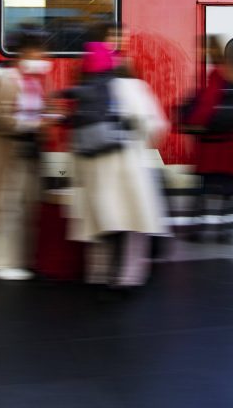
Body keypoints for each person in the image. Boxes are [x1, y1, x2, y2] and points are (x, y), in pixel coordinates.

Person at [68, 56, 170, 293]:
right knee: (133, 224)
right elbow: (156, 126)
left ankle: (98, 274)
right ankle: (127, 278)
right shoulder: (133, 87)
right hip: (130, 167)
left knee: (102, 223)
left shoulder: (87, 90)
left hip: (93, 168)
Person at [0, 30, 51, 280]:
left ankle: (17, 259)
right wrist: (33, 124)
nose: (44, 56)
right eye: (39, 51)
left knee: (22, 206)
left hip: (26, 151)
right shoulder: (4, 79)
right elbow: (0, 115)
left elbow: (33, 111)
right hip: (7, 152)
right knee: (7, 206)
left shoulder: (33, 80)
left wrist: (46, 117)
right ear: (25, 52)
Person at [178, 36, 233, 244]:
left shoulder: (217, 75)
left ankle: (198, 230)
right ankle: (225, 231)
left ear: (211, 50)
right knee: (228, 190)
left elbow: (205, 109)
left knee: (204, 190)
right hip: (231, 145)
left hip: (213, 147)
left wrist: (190, 122)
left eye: (202, 49)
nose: (199, 53)